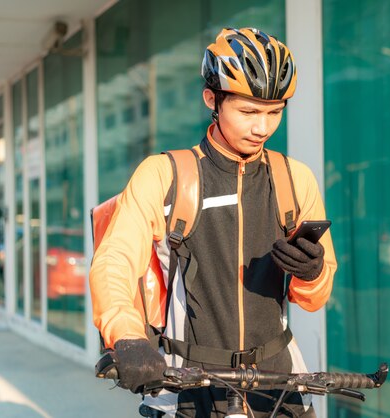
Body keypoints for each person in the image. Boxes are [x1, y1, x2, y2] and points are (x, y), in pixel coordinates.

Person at [89, 27, 337, 417]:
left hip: (278, 382)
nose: (263, 127)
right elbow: (115, 260)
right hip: (187, 383)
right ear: (212, 99)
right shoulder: (165, 175)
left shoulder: (294, 179)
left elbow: (314, 298)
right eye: (248, 111)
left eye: (275, 112)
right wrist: (127, 337)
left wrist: (314, 271)